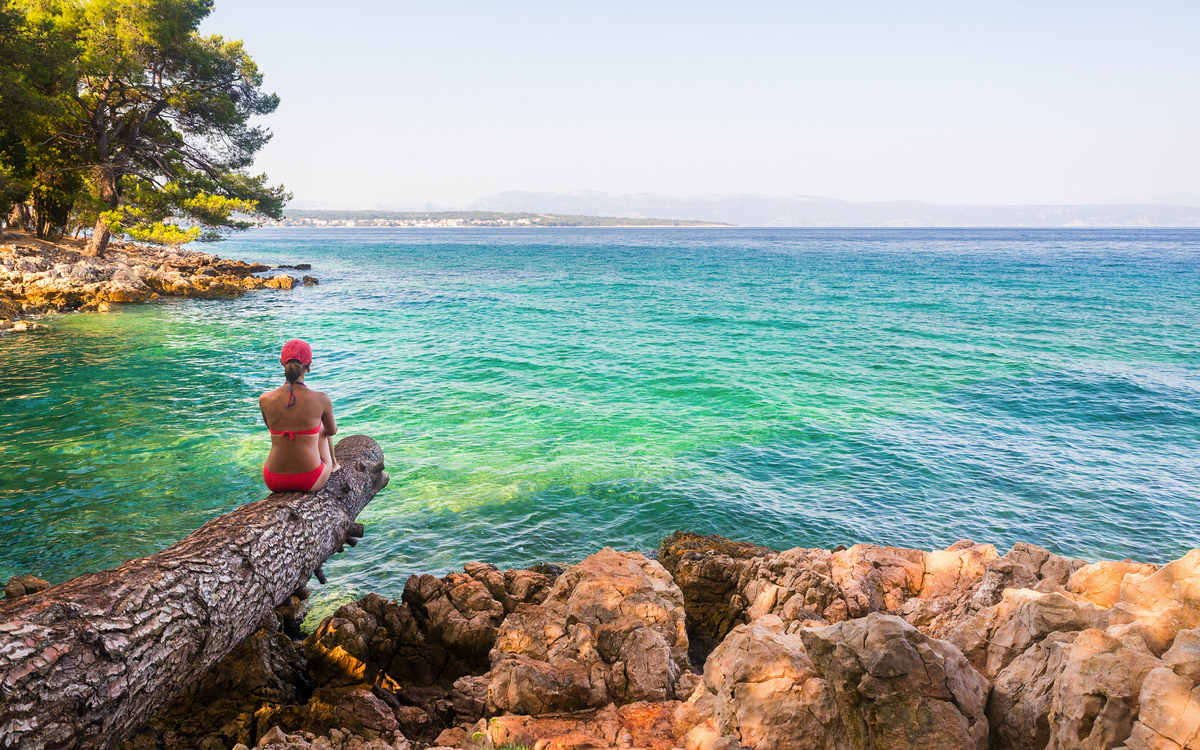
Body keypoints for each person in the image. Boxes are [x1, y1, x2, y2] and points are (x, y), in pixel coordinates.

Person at [260, 339, 340, 493]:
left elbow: (271, 427)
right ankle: (335, 465)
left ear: (282, 363)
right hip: (309, 480)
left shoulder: (265, 399)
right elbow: (331, 432)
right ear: (309, 365)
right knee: (322, 426)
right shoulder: (321, 399)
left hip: (273, 479)